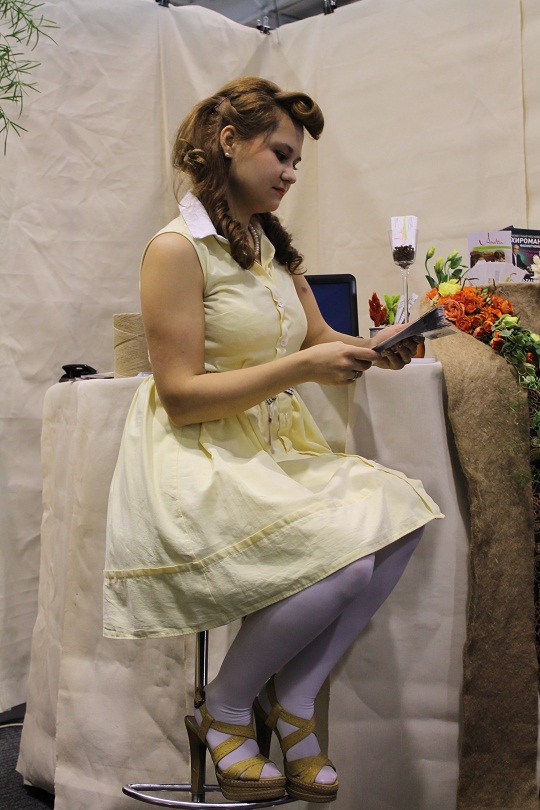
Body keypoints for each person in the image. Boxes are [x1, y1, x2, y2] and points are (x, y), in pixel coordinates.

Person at [103, 77, 443, 804]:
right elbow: (179, 395)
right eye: (281, 155)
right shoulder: (175, 250)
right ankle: (226, 710)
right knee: (343, 562)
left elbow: (319, 341)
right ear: (229, 143)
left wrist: (377, 349)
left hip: (268, 448)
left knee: (403, 517)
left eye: (296, 162)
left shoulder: (272, 249)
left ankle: (292, 704)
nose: (291, 173)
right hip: (199, 456)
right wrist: (303, 368)